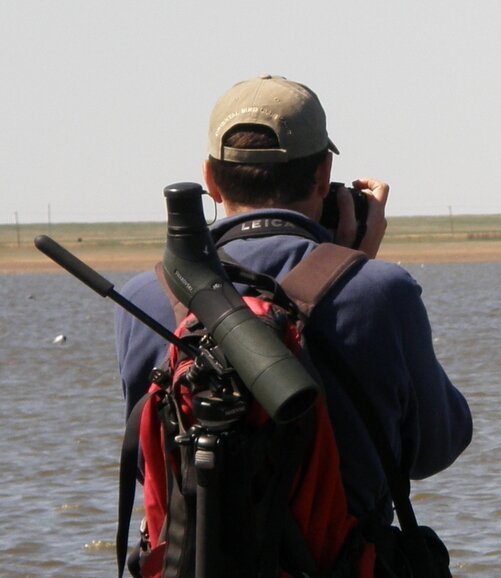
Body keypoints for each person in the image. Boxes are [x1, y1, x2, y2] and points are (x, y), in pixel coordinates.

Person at [114, 75, 473, 571]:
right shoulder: (383, 292)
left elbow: (148, 465)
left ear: (210, 182)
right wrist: (350, 268)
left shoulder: (145, 298)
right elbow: (435, 447)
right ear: (324, 177)